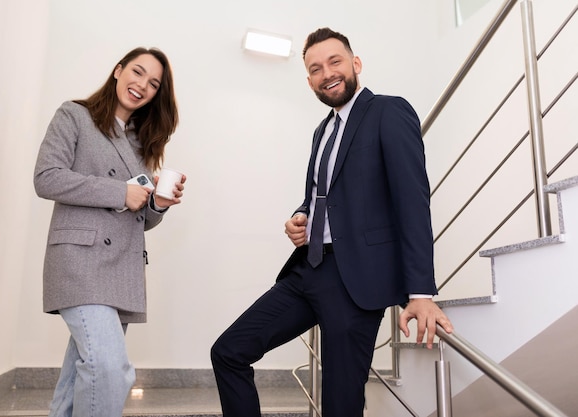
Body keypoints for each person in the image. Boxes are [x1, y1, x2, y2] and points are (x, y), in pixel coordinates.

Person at [210, 28, 453, 417]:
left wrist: (420, 292)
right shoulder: (322, 130)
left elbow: (412, 202)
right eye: (316, 69)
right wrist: (301, 216)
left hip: (355, 279)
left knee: (340, 403)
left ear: (355, 64)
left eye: (335, 62)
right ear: (310, 82)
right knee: (228, 351)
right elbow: (321, 195)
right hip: (308, 270)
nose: (327, 73)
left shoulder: (389, 112)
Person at [34, 47, 186, 417]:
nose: (142, 86)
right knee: (109, 369)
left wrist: (158, 205)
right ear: (118, 70)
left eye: (153, 84)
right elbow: (46, 178)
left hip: (121, 269)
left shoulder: (143, 141)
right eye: (137, 72)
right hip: (79, 260)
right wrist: (121, 192)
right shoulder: (74, 115)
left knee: (81, 377)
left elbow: (141, 218)